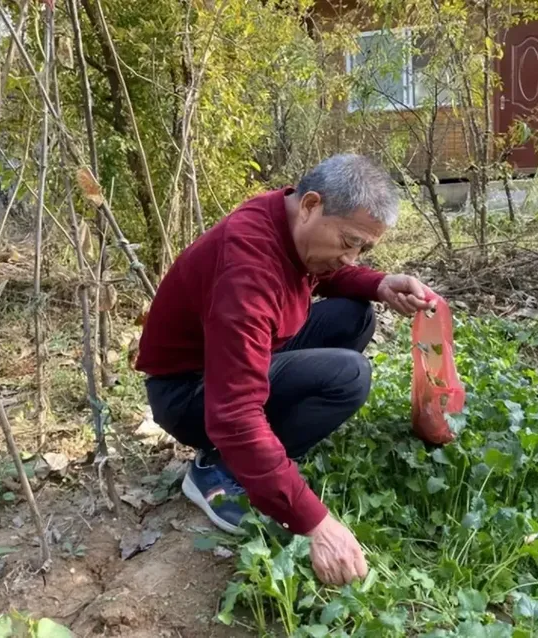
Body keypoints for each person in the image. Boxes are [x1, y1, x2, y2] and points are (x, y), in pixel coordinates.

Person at [136, 154, 434, 586]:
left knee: (355, 315)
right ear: (311, 205)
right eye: (348, 241)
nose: (351, 258)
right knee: (348, 376)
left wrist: (379, 284)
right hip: (189, 392)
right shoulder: (246, 271)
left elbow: (320, 275)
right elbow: (234, 413)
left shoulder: (286, 217)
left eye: (363, 249)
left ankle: (262, 455)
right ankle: (219, 468)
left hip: (229, 361)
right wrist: (315, 522)